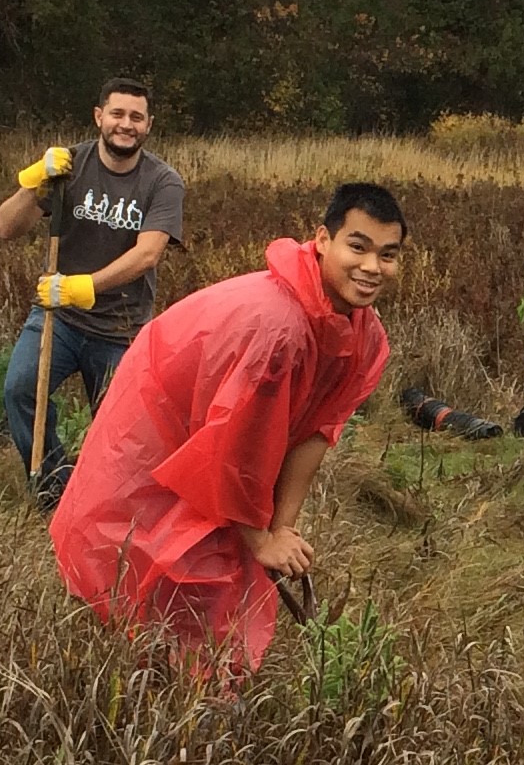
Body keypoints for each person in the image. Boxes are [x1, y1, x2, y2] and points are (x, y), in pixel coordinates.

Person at [52, 183, 404, 675]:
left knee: (217, 578)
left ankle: (198, 697)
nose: (372, 268)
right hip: (154, 441)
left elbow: (316, 432)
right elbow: (233, 448)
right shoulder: (277, 327)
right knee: (151, 571)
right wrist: (260, 540)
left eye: (388, 255)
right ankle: (166, 706)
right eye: (358, 246)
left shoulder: (363, 336)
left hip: (214, 447)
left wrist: (279, 528)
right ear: (323, 239)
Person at [0, 75, 186, 501]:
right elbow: (7, 227)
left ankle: (104, 504)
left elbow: (148, 254)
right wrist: (33, 183)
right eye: (117, 113)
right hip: (57, 318)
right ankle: (55, 491)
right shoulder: (69, 165)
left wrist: (84, 287)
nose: (126, 124)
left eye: (136, 117)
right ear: (100, 116)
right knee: (20, 391)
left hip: (121, 327)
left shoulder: (163, 182)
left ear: (148, 125)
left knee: (121, 430)